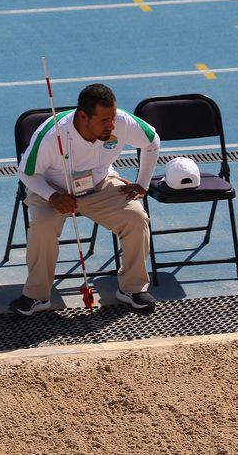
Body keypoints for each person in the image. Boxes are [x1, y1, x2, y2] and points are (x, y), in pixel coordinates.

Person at [9, 84, 161, 315]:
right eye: (103, 120)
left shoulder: (121, 121)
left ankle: (132, 288)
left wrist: (143, 183)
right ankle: (37, 296)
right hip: (51, 188)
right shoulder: (51, 135)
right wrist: (53, 196)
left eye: (112, 117)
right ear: (83, 116)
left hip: (100, 183)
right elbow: (26, 173)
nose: (111, 125)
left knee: (136, 217)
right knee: (43, 224)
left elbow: (152, 140)